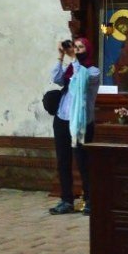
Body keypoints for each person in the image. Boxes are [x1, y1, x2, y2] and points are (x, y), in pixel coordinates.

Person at [48, 38, 101, 216]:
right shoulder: (71, 68)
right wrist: (61, 56)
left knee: (83, 161)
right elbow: (56, 78)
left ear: (88, 50)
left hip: (81, 122)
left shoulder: (93, 71)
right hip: (62, 118)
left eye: (80, 47)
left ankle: (90, 200)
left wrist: (73, 59)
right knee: (63, 162)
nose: (76, 50)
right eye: (75, 47)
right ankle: (66, 200)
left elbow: (81, 81)